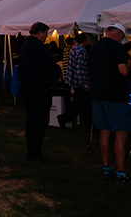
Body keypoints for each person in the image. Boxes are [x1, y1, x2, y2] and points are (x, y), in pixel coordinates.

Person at [88, 23, 131, 182]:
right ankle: (121, 172)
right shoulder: (117, 47)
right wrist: (129, 65)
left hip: (97, 94)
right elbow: (123, 71)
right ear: (119, 34)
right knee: (120, 132)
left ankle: (106, 167)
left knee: (104, 131)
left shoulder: (94, 47)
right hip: (114, 95)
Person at [18, 22, 61, 162]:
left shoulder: (27, 45)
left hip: (29, 86)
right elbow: (49, 65)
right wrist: (57, 73)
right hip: (38, 88)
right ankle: (34, 152)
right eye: (46, 33)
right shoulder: (37, 47)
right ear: (39, 33)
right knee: (39, 120)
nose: (47, 37)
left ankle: (32, 150)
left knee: (32, 119)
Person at [57, 33, 92, 131]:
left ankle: (86, 125)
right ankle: (65, 118)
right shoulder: (82, 51)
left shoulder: (74, 49)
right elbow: (80, 69)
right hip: (81, 82)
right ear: (84, 40)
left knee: (80, 105)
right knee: (82, 105)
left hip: (75, 81)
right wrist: (85, 83)